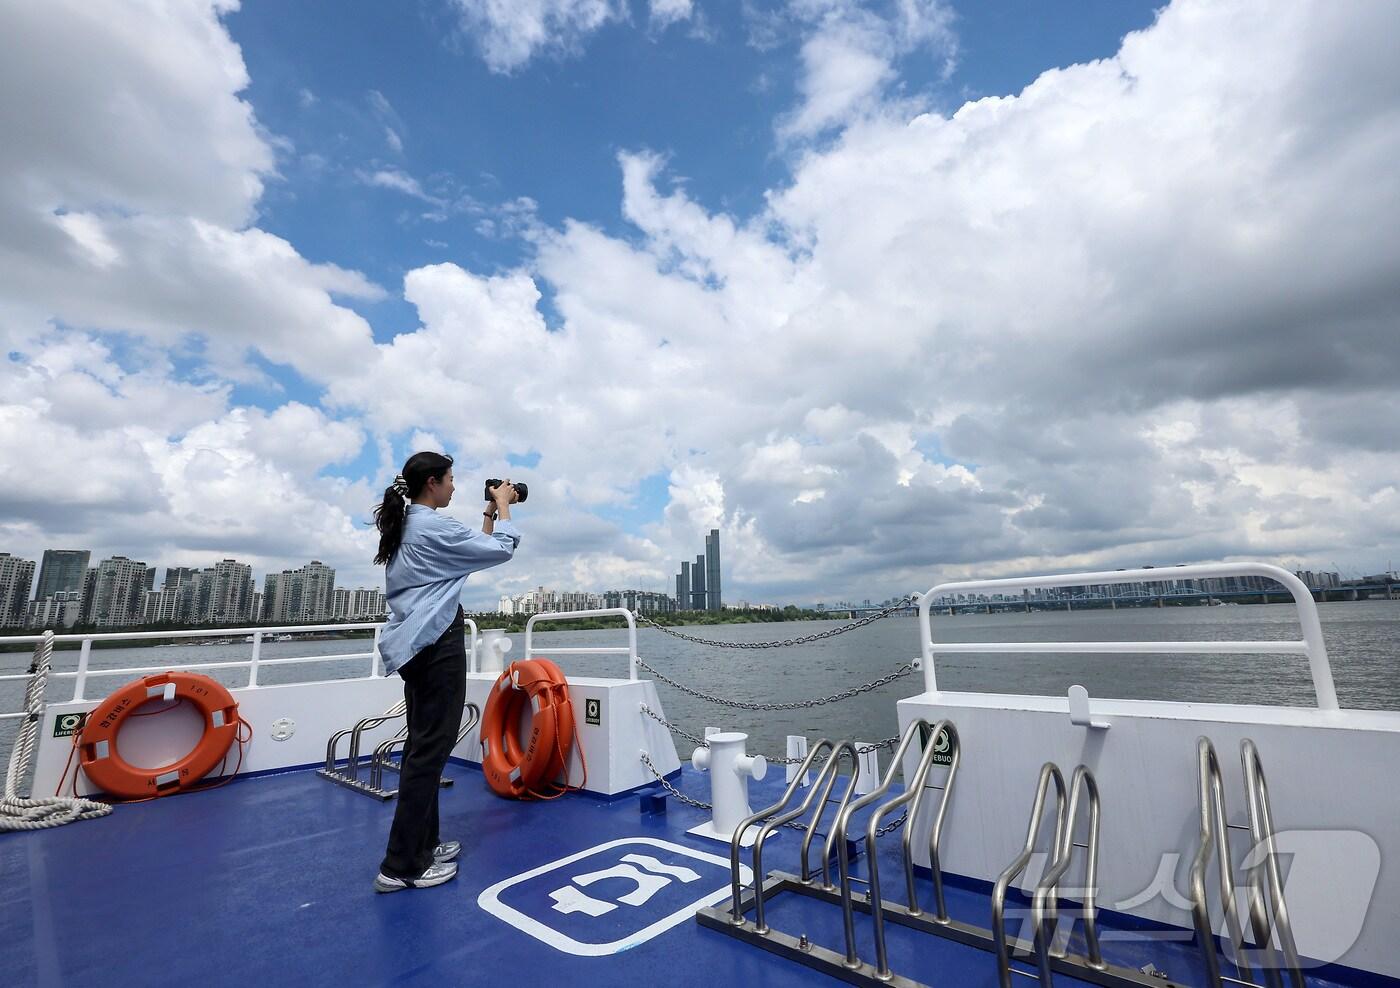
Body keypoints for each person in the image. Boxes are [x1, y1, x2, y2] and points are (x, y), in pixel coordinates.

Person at [370, 451, 521, 892]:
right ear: (433, 483)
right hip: (436, 644)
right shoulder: (433, 526)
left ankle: (426, 843)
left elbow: (474, 553)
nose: (455, 486)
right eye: (451, 479)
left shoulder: (413, 524)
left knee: (423, 746)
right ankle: (400, 866)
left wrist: (488, 514)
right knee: (429, 754)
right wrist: (507, 507)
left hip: (416, 645)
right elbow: (501, 550)